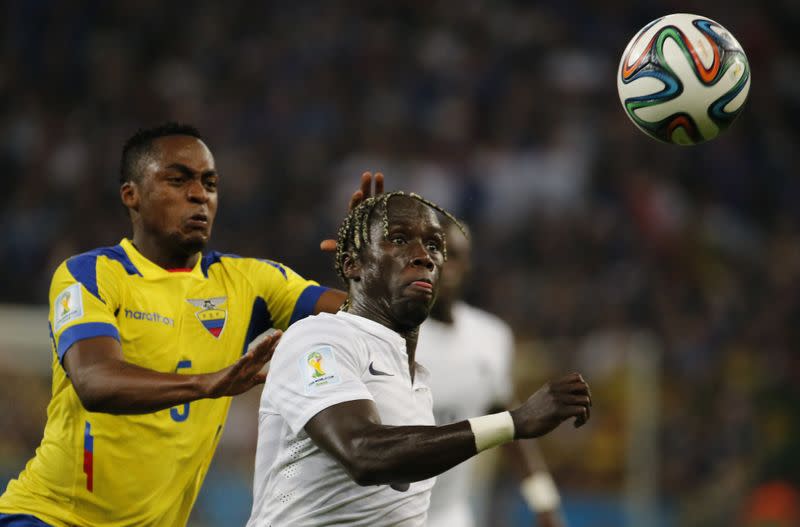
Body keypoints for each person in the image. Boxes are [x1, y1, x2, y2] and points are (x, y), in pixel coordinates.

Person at [0, 122, 352, 527]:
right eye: (178, 179)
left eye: (209, 183)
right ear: (131, 195)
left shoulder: (250, 281)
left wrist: (371, 255)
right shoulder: (90, 274)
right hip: (51, 518)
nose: (199, 194)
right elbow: (95, 381)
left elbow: (367, 316)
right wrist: (207, 384)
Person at [247, 191, 591, 526]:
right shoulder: (316, 339)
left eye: (434, 246)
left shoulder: (423, 375)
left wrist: (542, 500)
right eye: (398, 239)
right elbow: (363, 453)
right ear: (352, 263)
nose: (424, 256)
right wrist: (513, 422)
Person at [418, 220, 566, 527]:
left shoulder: (490, 337)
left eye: (454, 254)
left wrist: (544, 502)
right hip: (381, 514)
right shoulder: (389, 334)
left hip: (449, 517)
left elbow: (510, 424)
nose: (443, 264)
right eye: (434, 251)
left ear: (468, 264)